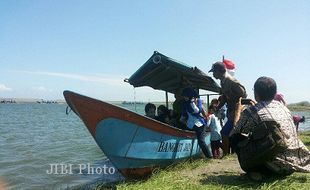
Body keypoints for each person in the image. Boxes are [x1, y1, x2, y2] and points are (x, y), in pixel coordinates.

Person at [231, 77, 310, 179]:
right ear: (274, 93)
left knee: (235, 137)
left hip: (273, 167)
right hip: (293, 165)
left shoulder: (251, 111)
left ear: (256, 93)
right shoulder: (283, 107)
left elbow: (235, 130)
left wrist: (237, 112)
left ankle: (254, 170)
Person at [208, 62, 247, 155]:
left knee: (225, 132)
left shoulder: (231, 81)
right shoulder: (223, 81)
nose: (213, 74)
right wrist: (218, 107)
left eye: (214, 72)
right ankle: (229, 153)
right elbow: (225, 97)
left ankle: (227, 154)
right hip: (231, 113)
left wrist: (237, 110)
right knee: (228, 133)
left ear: (220, 71)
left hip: (237, 113)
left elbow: (243, 94)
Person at [180, 87, 212, 158]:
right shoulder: (185, 103)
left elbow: (197, 111)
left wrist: (192, 103)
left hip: (199, 124)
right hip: (190, 124)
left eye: (185, 96)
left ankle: (209, 157)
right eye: (184, 96)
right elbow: (184, 114)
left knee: (201, 141)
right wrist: (182, 119)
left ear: (189, 95)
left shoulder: (198, 101)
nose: (184, 97)